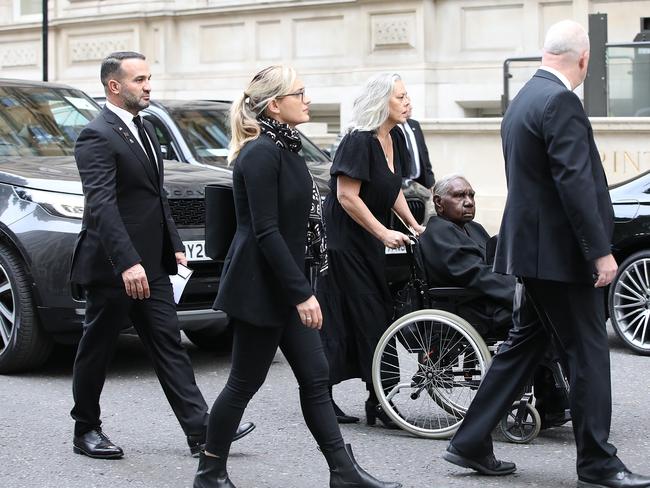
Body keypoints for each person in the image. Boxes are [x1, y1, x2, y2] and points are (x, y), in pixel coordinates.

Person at [441, 21, 650, 488]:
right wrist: (599, 254)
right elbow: (574, 185)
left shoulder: (522, 100)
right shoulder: (560, 102)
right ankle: (598, 464)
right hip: (558, 257)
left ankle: (470, 441)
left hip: (533, 254)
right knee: (590, 353)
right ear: (584, 59)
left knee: (523, 346)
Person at [193, 65, 401, 488]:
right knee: (243, 383)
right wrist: (302, 294)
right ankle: (209, 471)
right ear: (275, 104)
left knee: (315, 376)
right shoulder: (259, 153)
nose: (307, 100)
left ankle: (343, 472)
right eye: (300, 93)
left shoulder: (286, 147)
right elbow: (265, 232)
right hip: (260, 287)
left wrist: (302, 288)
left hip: (285, 284)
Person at [69, 51, 253, 460]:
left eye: (149, 77)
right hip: (113, 267)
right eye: (139, 80)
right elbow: (102, 205)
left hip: (151, 264)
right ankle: (85, 429)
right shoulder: (96, 135)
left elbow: (155, 194)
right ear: (114, 87)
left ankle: (199, 430)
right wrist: (127, 262)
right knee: (97, 348)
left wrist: (174, 244)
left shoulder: (146, 127)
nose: (148, 85)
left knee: (168, 343)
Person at [317, 73, 426, 428]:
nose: (407, 102)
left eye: (407, 95)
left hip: (368, 240)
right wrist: (383, 233)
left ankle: (379, 397)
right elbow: (347, 196)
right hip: (344, 243)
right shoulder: (358, 141)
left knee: (373, 315)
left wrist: (412, 224)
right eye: (400, 97)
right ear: (381, 102)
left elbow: (389, 188)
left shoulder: (394, 137)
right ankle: (334, 397)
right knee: (355, 317)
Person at [419, 173, 569, 427]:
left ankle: (551, 394)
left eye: (471, 195)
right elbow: (475, 274)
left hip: (484, 300)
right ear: (439, 202)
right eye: (459, 196)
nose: (468, 201)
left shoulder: (472, 229)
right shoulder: (438, 233)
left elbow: (495, 266)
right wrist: (521, 295)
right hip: (466, 308)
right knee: (537, 320)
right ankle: (549, 396)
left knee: (547, 315)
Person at [395, 104, 434, 189]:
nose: (411, 107)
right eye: (407, 105)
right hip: (402, 184)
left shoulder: (415, 124)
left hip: (421, 182)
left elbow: (424, 153)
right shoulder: (393, 127)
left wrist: (431, 182)